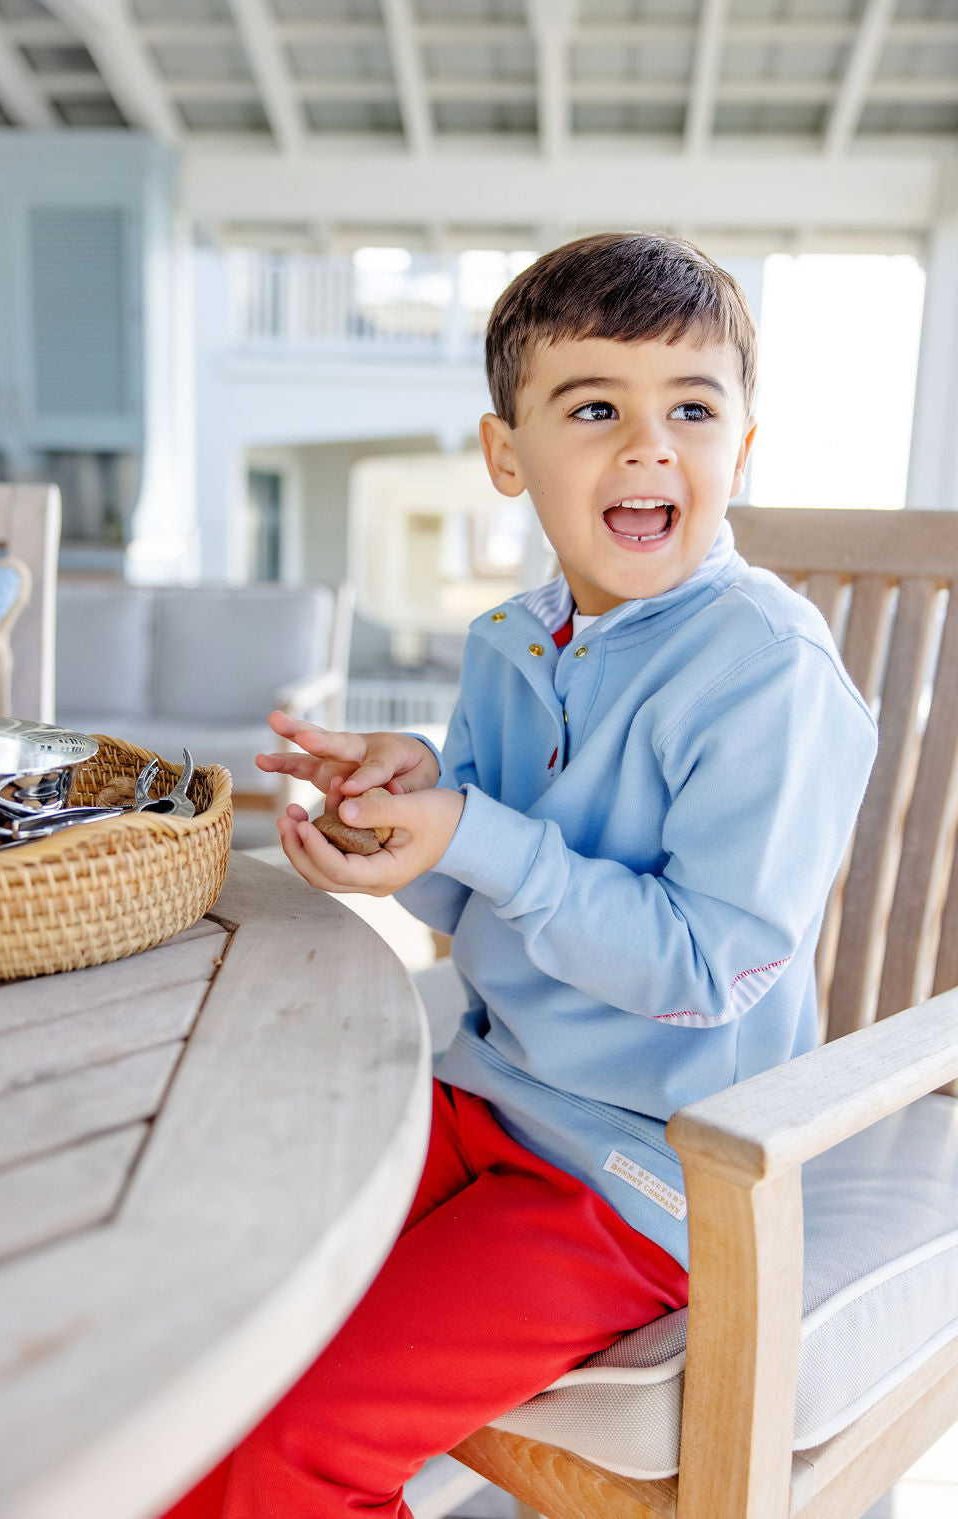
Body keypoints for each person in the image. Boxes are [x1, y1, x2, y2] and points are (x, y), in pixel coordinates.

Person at [162, 232, 877, 1518]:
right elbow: (478, 888)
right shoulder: (512, 641)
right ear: (507, 456)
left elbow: (708, 966)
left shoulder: (767, 671)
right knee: (184, 1305)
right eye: (595, 406)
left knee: (296, 1452)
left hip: (644, 1179)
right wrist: (401, 823)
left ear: (743, 449)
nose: (648, 445)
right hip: (480, 1095)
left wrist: (475, 833)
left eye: (692, 409)